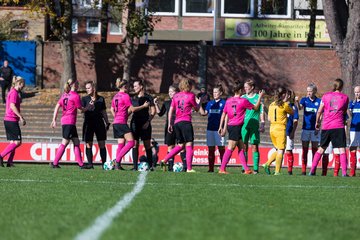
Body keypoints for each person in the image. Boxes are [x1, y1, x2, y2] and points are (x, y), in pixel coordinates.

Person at [218, 81, 264, 174]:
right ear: (239, 90)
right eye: (242, 89)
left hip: (232, 126)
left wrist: (221, 126)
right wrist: (260, 96)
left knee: (241, 148)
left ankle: (246, 169)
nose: (244, 90)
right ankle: (222, 169)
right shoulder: (243, 101)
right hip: (236, 127)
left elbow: (224, 114)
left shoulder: (229, 100)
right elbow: (255, 108)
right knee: (231, 147)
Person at [309, 78, 349, 177]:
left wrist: (317, 122)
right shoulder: (345, 97)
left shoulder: (326, 96)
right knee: (342, 149)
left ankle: (312, 171)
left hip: (326, 126)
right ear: (342, 87)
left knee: (321, 148)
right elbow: (344, 112)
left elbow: (319, 111)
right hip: (338, 126)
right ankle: (344, 173)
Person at [50, 78, 92, 169]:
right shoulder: (75, 96)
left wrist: (54, 119)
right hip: (69, 122)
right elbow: (81, 109)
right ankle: (54, 163)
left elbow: (57, 106)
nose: (78, 84)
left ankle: (81, 164)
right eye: (77, 83)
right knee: (65, 142)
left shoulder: (64, 95)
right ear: (73, 84)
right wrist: (89, 106)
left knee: (76, 142)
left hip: (67, 122)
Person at [160, 79, 199, 173]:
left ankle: (164, 160)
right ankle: (189, 168)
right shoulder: (191, 95)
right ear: (188, 86)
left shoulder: (176, 96)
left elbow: (171, 110)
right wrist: (200, 102)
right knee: (189, 144)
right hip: (186, 122)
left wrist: (170, 123)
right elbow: (197, 109)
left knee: (181, 145)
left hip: (177, 123)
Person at [111, 79, 149, 170]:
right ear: (125, 86)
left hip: (116, 122)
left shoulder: (115, 96)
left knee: (121, 144)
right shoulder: (125, 96)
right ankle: (117, 160)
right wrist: (144, 106)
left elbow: (112, 109)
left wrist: (117, 116)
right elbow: (132, 109)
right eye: (128, 86)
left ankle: (117, 165)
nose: (129, 88)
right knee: (131, 142)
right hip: (121, 123)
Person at [154, 85, 187, 171]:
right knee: (170, 146)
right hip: (170, 127)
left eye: (172, 91)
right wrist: (156, 104)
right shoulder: (167, 103)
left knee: (182, 147)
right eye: (169, 92)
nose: (170, 93)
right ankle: (170, 167)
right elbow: (160, 114)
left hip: (179, 126)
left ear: (177, 92)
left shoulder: (181, 101)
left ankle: (185, 167)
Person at [263, 87, 294, 175]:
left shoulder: (272, 104)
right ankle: (276, 171)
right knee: (281, 150)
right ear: (283, 95)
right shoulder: (284, 105)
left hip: (272, 128)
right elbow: (292, 112)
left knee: (278, 149)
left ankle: (267, 164)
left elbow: (269, 118)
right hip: (280, 129)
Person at [81, 81, 110, 168]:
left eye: (89, 88)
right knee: (88, 143)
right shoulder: (84, 99)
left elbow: (103, 112)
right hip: (88, 123)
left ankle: (104, 164)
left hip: (99, 123)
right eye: (86, 88)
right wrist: (89, 106)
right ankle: (90, 164)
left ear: (93, 88)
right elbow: (81, 110)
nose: (87, 90)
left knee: (102, 143)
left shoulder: (101, 99)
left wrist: (107, 122)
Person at [295, 83, 321, 175]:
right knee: (304, 150)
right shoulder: (304, 100)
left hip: (315, 129)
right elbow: (300, 108)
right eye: (307, 91)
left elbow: (320, 115)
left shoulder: (319, 101)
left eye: (310, 91)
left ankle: (313, 170)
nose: (308, 93)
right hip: (305, 129)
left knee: (315, 150)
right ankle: (303, 170)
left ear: (314, 91)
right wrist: (297, 102)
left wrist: (318, 126)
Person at [199, 84, 226, 172]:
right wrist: (199, 104)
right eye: (213, 92)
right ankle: (211, 169)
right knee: (211, 149)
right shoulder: (210, 103)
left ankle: (222, 168)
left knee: (221, 149)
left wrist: (224, 127)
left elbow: (226, 116)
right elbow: (204, 113)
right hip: (210, 129)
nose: (214, 94)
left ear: (220, 93)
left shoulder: (224, 103)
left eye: (216, 92)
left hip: (219, 129)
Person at [130, 80, 156, 171]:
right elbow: (131, 109)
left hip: (145, 124)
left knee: (147, 145)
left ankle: (150, 166)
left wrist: (148, 121)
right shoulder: (132, 98)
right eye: (133, 86)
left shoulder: (148, 97)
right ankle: (135, 166)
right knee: (135, 145)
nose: (134, 88)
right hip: (134, 124)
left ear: (141, 86)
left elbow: (153, 111)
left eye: (135, 86)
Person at [0, 76, 26, 167]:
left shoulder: (12, 91)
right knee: (17, 142)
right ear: (20, 83)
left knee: (13, 142)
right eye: (23, 84)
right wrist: (21, 117)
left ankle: (9, 162)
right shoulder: (14, 93)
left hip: (8, 120)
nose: (24, 86)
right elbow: (12, 106)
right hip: (11, 120)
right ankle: (1, 156)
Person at [241, 80, 265, 174]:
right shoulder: (243, 97)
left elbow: (261, 111)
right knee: (244, 146)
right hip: (244, 125)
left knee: (255, 146)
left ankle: (255, 169)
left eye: (247, 87)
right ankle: (245, 168)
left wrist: (262, 123)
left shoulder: (257, 97)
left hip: (255, 125)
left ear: (252, 87)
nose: (245, 89)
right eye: (244, 87)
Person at [284, 89, 299, 175]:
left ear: (288, 96)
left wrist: (293, 132)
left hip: (288, 132)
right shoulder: (280, 106)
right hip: (279, 132)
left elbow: (295, 121)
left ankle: (290, 170)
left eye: (284, 95)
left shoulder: (293, 107)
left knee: (289, 150)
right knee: (279, 150)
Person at [347, 86, 360, 176]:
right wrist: (348, 110)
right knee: (353, 148)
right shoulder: (352, 103)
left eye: (358, 92)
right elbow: (348, 112)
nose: (357, 94)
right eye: (355, 92)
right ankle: (352, 171)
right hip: (354, 129)